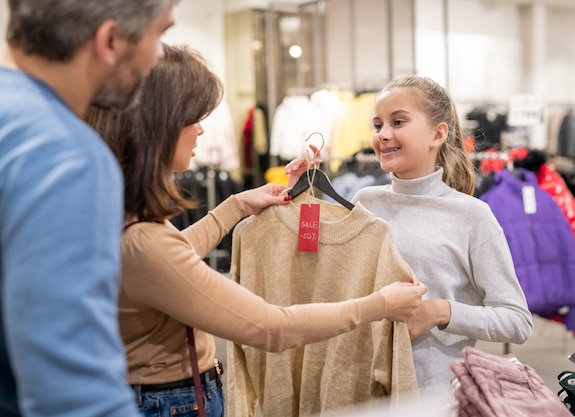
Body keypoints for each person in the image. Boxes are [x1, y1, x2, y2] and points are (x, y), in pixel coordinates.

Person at [84, 43, 427, 417]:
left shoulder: (123, 213)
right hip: (169, 402)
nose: (202, 129)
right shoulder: (144, 240)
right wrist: (379, 304)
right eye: (192, 116)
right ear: (156, 127)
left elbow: (169, 256)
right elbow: (269, 328)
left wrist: (234, 207)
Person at [287, 76, 534, 400]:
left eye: (398, 121)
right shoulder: (365, 200)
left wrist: (441, 311)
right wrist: (298, 194)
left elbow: (517, 321)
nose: (383, 135)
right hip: (359, 388)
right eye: (377, 125)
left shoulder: (472, 216)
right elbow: (322, 276)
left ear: (438, 134)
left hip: (433, 397)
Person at [0, 2, 177, 417]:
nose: (161, 54)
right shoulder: (64, 155)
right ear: (110, 41)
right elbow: (73, 395)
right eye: (159, 34)